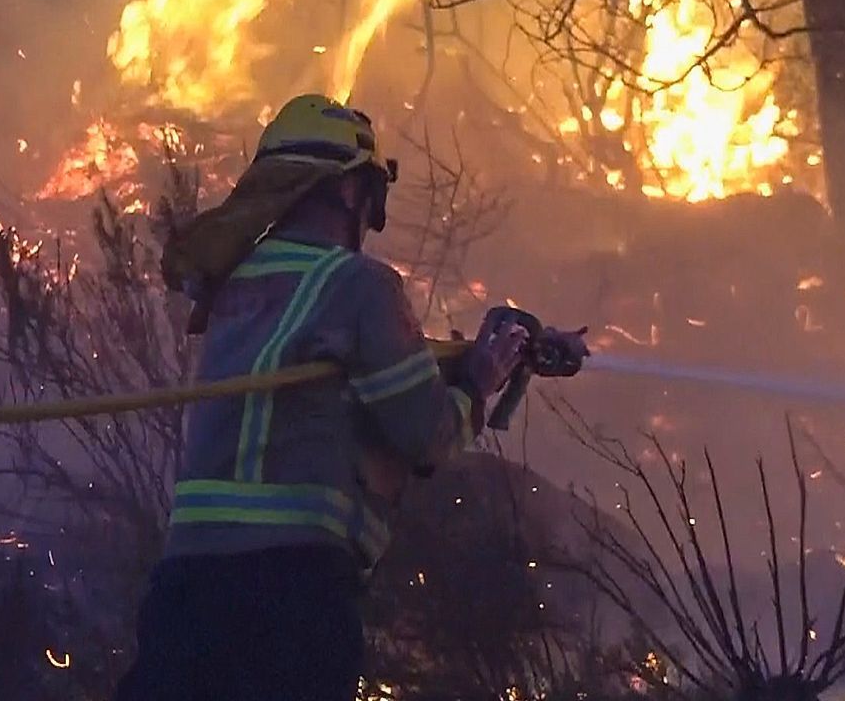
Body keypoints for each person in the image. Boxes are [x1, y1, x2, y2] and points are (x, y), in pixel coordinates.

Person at [116, 94, 557, 701]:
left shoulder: (233, 287)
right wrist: (479, 381)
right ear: (351, 193)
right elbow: (425, 437)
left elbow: (318, 390)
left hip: (185, 590)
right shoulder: (357, 286)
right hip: (290, 595)